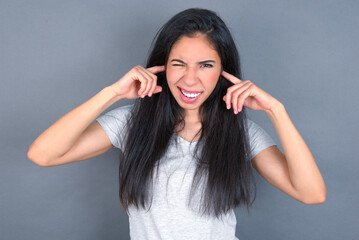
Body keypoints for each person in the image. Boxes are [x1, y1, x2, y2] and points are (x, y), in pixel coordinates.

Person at [27, 8, 326, 240]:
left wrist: (276, 110)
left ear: (224, 72)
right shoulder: (132, 123)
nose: (190, 79)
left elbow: (312, 193)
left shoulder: (240, 132)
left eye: (206, 65)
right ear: (163, 66)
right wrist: (112, 93)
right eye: (178, 64)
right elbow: (43, 154)